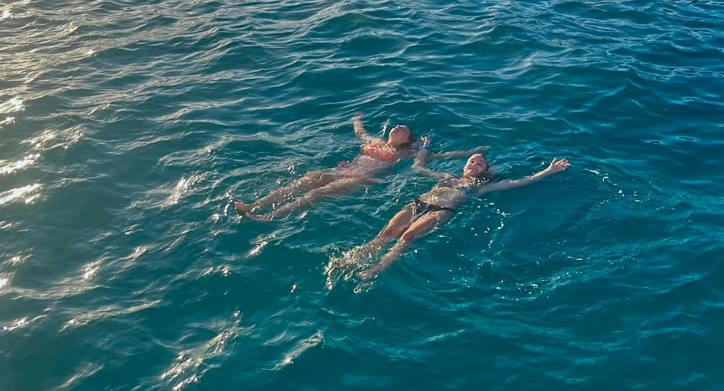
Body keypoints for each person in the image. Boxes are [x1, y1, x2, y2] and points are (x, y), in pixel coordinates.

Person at [339, 138, 570, 282]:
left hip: (440, 210)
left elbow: (519, 182)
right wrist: (425, 148)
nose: (475, 164)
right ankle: (354, 257)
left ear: (486, 170)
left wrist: (548, 171)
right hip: (419, 202)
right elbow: (419, 166)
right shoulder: (447, 176)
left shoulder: (481, 187)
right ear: (465, 165)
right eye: (472, 161)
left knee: (408, 236)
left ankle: (378, 268)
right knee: (388, 231)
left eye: (480, 163)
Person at [234, 115, 488, 221]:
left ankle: (269, 217)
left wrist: (469, 153)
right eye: (397, 126)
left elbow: (441, 156)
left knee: (314, 195)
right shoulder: (375, 142)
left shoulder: (408, 152)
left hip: (360, 178)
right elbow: (360, 133)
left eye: (404, 129)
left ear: (408, 139)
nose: (399, 127)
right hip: (340, 170)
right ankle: (255, 205)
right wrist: (356, 119)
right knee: (303, 181)